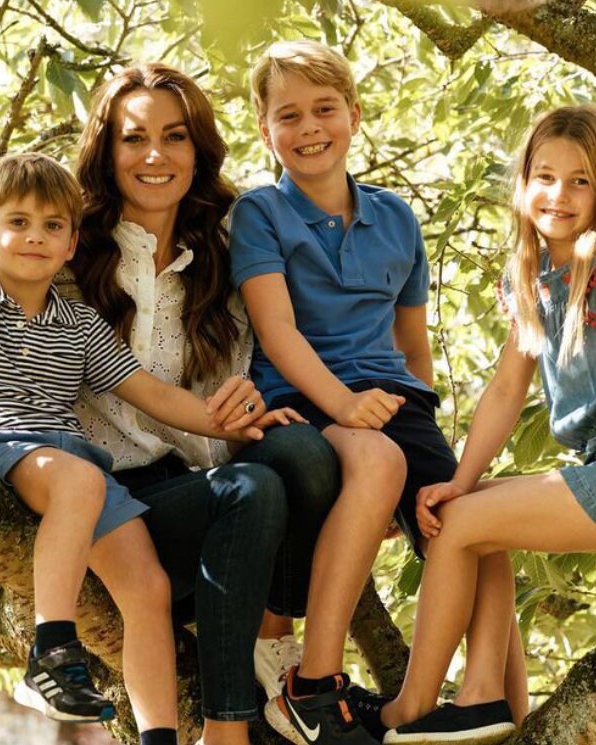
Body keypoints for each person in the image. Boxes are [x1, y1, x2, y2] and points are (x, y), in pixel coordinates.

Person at [0, 152, 298, 745]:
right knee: (82, 481)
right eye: (18, 223)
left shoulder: (80, 323)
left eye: (52, 226)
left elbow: (153, 395)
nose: (34, 237)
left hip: (71, 466)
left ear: (71, 244)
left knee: (149, 589)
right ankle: (51, 650)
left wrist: (239, 425)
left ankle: (158, 735)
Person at [69, 62, 341, 745]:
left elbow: (317, 329)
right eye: (134, 139)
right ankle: (227, 729)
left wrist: (255, 404)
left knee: (305, 453)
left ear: (200, 150)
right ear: (106, 151)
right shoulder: (67, 245)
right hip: (115, 513)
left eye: (176, 136)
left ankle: (274, 647)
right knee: (247, 489)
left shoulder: (227, 246)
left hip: (217, 510)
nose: (155, 155)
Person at [228, 39, 480, 745]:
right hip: (307, 399)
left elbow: (412, 343)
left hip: (395, 402)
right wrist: (341, 405)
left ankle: (482, 694)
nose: (308, 128)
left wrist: (429, 430)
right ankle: (312, 682)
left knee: (471, 517)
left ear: (354, 115)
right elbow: (276, 332)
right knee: (376, 464)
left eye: (323, 109)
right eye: (288, 115)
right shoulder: (260, 214)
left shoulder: (395, 217)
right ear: (264, 129)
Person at [378, 104, 596, 744]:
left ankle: (412, 709)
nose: (559, 194)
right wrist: (461, 480)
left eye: (580, 179)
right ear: (523, 182)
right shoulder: (532, 276)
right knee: (464, 513)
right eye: (545, 176)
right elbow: (506, 389)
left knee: (461, 526)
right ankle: (499, 707)